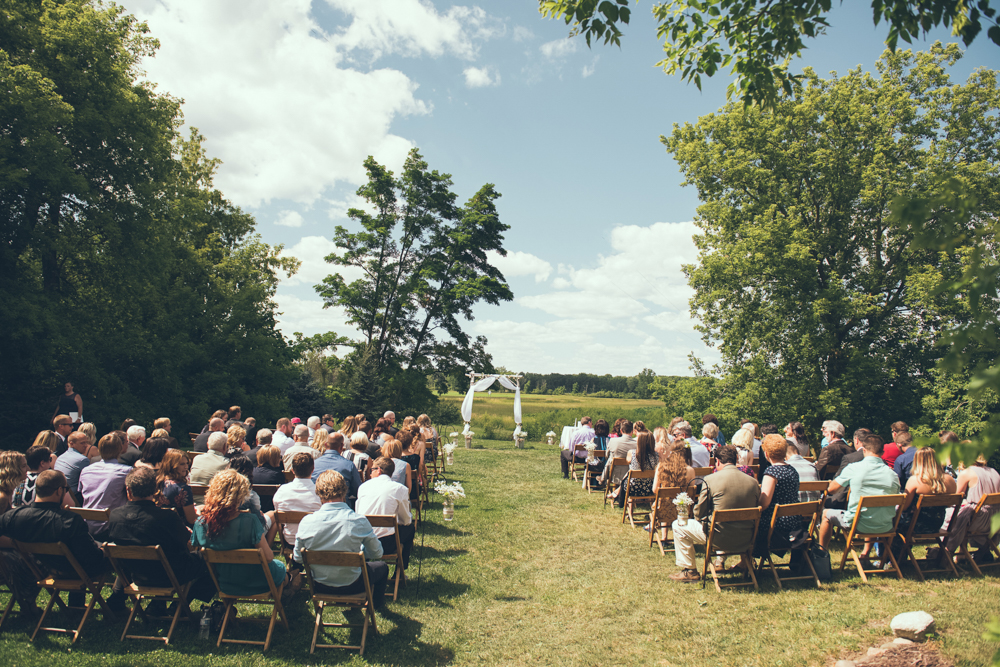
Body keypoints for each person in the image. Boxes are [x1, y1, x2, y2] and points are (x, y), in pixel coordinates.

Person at [101, 468, 214, 607]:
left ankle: (156, 606)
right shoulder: (166, 517)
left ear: (128, 490)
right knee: (212, 560)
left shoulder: (115, 516)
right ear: (155, 490)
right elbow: (189, 542)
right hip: (170, 575)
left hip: (138, 575)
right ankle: (179, 607)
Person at [294, 470, 388, 610]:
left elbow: (298, 558)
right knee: (382, 567)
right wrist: (361, 554)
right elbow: (377, 553)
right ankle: (377, 607)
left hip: (320, 584)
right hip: (353, 584)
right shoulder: (358, 521)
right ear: (344, 491)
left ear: (318, 493)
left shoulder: (307, 522)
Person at [669, 445, 761, 583]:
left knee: (678, 525)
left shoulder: (711, 480)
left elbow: (699, 514)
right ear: (736, 459)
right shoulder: (753, 482)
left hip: (718, 537)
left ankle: (690, 570)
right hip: (746, 538)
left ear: (717, 461)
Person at [191, 470, 287, 600]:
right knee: (282, 571)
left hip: (225, 582)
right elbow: (269, 557)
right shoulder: (249, 522)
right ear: (240, 495)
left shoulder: (201, 524)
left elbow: (195, 551)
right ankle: (290, 585)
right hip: (258, 581)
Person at [818, 435, 900, 556]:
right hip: (885, 525)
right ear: (882, 452)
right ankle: (865, 554)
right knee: (873, 511)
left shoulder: (854, 468)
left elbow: (832, 490)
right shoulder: (892, 474)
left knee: (826, 514)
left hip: (857, 524)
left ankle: (821, 553)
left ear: (864, 450)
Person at [890, 446, 957, 559]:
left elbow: (904, 507)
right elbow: (950, 504)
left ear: (918, 462)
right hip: (937, 524)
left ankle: (895, 560)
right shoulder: (949, 480)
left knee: (893, 524)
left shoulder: (915, 481)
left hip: (916, 526)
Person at [356, 457, 415, 574]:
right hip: (385, 543)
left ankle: (365, 566)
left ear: (378, 470)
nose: (370, 473)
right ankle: (400, 571)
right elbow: (406, 520)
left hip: (362, 540)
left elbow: (358, 512)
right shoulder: (400, 489)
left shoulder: (363, 487)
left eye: (371, 470)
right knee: (410, 528)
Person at [754, 434, 801, 558]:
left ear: (767, 454)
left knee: (749, 525)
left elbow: (764, 504)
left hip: (776, 524)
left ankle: (746, 562)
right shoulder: (792, 470)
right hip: (794, 521)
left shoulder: (771, 473)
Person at [946, 453, 1000, 559]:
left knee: (958, 512)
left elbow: (955, 499)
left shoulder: (967, 473)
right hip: (995, 520)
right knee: (967, 511)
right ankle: (970, 552)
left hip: (978, 520)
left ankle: (949, 551)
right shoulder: (994, 471)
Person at [79, 433, 132, 531]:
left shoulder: (86, 470)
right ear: (120, 449)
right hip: (111, 526)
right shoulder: (126, 472)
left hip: (87, 526)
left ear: (99, 449)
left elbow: (82, 494)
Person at [272, 453, 322, 551]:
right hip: (313, 540)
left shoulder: (282, 491)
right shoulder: (319, 493)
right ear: (313, 470)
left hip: (290, 539)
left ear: (292, 471)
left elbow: (277, 510)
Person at [650, 441, 697, 531]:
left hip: (662, 510)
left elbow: (655, 490)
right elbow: (690, 494)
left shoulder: (661, 466)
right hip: (682, 510)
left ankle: (664, 537)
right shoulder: (690, 470)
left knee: (664, 500)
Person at [311, 432, 363, 509]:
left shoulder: (314, 464)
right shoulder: (348, 465)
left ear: (325, 445)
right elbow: (357, 490)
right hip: (343, 508)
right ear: (342, 446)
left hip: (318, 507)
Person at [823, 428, 872, 509]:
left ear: (856, 440)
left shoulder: (850, 458)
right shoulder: (882, 462)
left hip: (847, 502)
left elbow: (836, 481)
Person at [615, 431, 658, 507]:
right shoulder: (656, 456)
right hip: (650, 488)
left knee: (628, 475)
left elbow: (628, 461)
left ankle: (619, 498)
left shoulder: (632, 453)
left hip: (633, 488)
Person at [156, 449, 197, 527]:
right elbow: (192, 520)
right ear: (172, 466)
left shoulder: (158, 482)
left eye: (187, 463)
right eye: (182, 464)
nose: (186, 467)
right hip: (179, 528)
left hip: (159, 526)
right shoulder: (183, 489)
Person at [598, 419, 637, 489]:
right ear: (632, 431)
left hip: (615, 475)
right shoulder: (637, 444)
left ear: (621, 430)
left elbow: (606, 456)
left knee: (611, 458)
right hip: (631, 475)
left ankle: (603, 478)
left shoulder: (613, 441)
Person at [56, 431, 93, 501]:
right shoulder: (83, 460)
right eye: (82, 443)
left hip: (59, 495)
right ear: (71, 444)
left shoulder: (60, 458)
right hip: (74, 497)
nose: (86, 445)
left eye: (86, 442)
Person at [0, 451, 28, 515]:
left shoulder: (8, 490)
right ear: (12, 470)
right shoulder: (2, 497)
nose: (28, 468)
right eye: (24, 466)